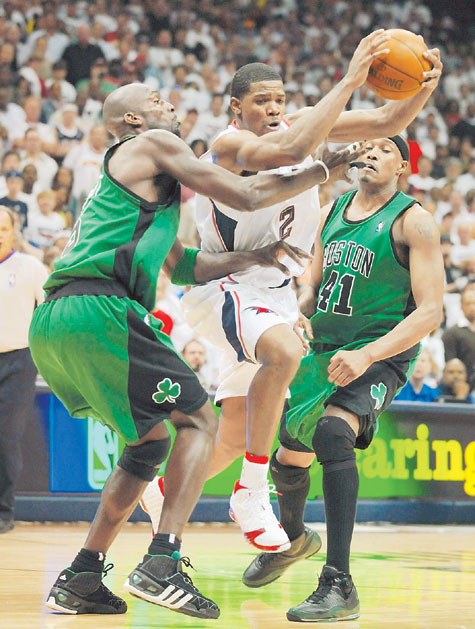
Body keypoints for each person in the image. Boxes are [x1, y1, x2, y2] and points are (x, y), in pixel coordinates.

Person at [28, 82, 356, 620]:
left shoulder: (140, 191)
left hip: (60, 321)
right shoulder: (155, 145)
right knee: (199, 420)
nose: (170, 105)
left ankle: (81, 577)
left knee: (146, 447)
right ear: (132, 120)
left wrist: (257, 253)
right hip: (98, 308)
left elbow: (184, 266)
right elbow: (246, 194)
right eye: (156, 100)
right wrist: (324, 172)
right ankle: (162, 563)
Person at [141, 33, 443, 553]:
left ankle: (161, 494)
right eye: (262, 101)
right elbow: (289, 151)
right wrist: (349, 79)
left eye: (280, 99)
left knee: (236, 430)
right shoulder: (229, 145)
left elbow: (388, 124)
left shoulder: (298, 122)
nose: (276, 108)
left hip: (276, 294)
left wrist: (423, 86)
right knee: (282, 354)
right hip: (229, 285)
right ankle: (251, 491)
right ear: (236, 107)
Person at [239, 135, 444, 622]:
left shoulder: (413, 220)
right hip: (325, 350)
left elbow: (431, 310)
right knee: (287, 452)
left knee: (334, 433)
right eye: (366, 147)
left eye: (385, 149)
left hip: (379, 353)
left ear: (403, 167)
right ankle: (291, 540)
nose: (370, 153)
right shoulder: (331, 212)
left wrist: (368, 354)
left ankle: (339, 583)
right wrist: (298, 314)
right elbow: (315, 285)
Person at [0, 206, 48, 533]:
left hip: (17, 360)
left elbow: (50, 311)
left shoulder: (30, 267)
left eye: (2, 229)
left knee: (6, 437)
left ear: (14, 231)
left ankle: (4, 512)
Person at [442, 283, 475, 389]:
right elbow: (450, 364)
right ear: (461, 307)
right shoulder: (452, 333)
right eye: (468, 303)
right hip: (462, 388)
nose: (472, 307)